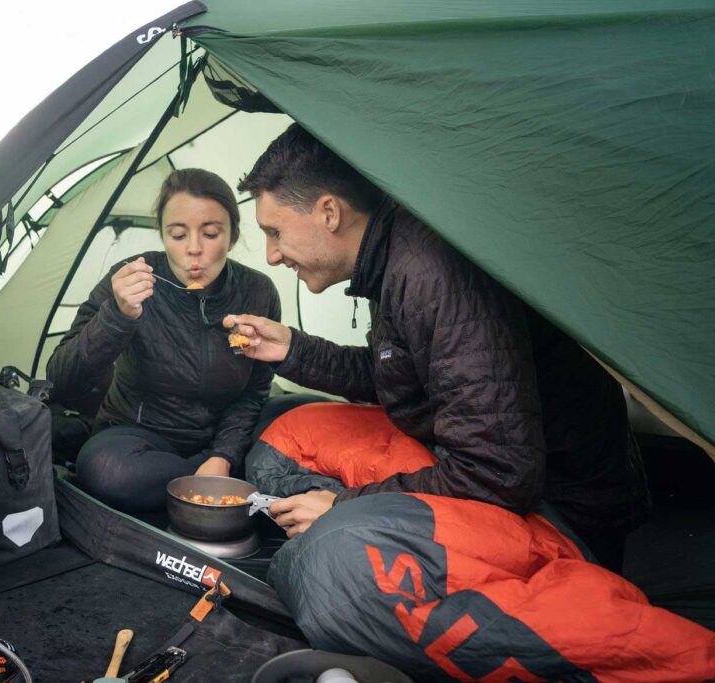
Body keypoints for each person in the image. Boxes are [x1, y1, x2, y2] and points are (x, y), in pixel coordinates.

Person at [225, 124, 648, 572]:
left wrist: (343, 505)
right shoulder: (394, 254)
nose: (271, 255)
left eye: (275, 232)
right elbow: (401, 372)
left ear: (329, 212)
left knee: (330, 559)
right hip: (507, 471)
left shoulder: (430, 274)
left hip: (564, 512)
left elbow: (496, 473)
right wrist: (293, 349)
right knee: (284, 426)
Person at [47, 168, 280, 513]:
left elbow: (255, 390)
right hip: (136, 438)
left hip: (221, 436)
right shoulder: (130, 277)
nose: (194, 250)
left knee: (300, 413)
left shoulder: (257, 291)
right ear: (162, 235)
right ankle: (231, 490)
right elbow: (60, 378)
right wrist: (117, 315)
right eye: (178, 234)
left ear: (231, 237)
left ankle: (213, 482)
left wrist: (222, 455)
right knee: (108, 470)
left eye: (211, 233)